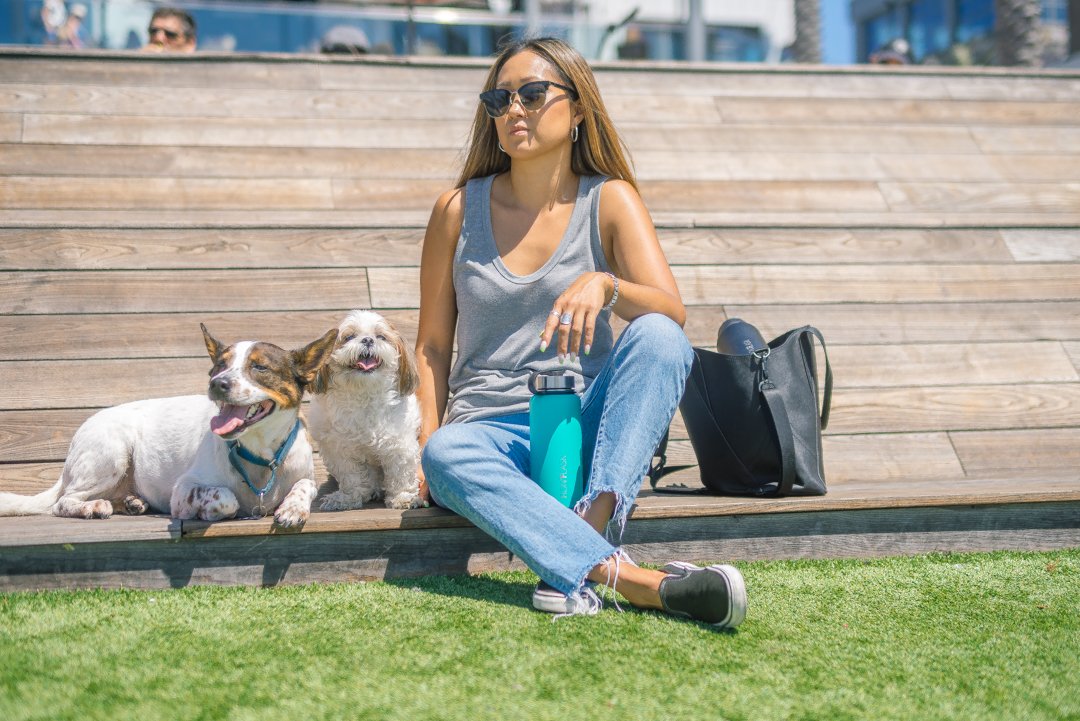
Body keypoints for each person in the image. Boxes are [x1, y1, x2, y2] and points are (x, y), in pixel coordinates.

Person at [415, 37, 747, 626]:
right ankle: (628, 579)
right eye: (500, 98)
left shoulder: (610, 200)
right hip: (488, 439)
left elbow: (670, 310)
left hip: (584, 433)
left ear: (578, 110)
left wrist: (607, 286)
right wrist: (423, 448)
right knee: (445, 452)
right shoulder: (456, 212)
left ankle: (584, 534)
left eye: (533, 94)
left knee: (658, 335)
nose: (514, 109)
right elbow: (433, 347)